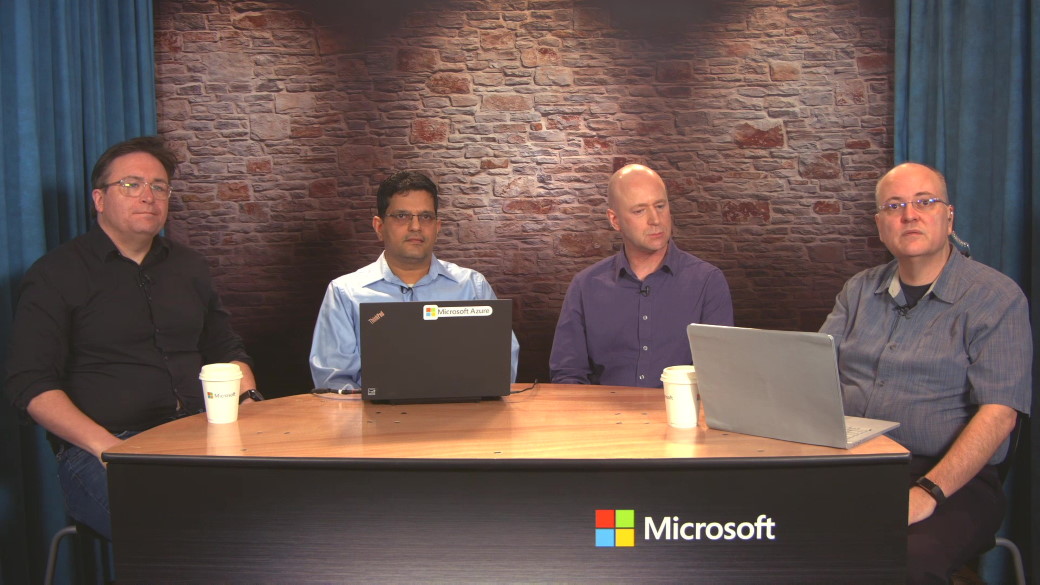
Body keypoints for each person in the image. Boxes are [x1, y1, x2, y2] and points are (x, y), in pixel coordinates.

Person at [4, 136, 258, 541]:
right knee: (188, 535)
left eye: (159, 186)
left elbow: (225, 350)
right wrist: (109, 449)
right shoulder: (56, 274)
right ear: (99, 199)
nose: (148, 196)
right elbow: (30, 384)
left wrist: (250, 411)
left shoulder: (189, 267)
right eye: (131, 184)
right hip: (103, 449)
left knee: (288, 509)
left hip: (201, 434)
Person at [820, 162, 1031, 584]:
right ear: (880, 225)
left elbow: (1000, 414)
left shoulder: (996, 298)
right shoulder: (858, 290)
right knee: (762, 532)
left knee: (903, 561)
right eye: (894, 206)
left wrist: (928, 493)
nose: (909, 214)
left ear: (948, 217)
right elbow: (812, 375)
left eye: (924, 202)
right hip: (851, 466)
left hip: (951, 478)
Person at [309, 171, 519, 389]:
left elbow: (501, 366)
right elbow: (334, 382)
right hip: (373, 419)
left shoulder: (471, 286)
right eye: (402, 216)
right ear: (379, 227)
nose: (416, 227)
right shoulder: (345, 293)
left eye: (426, 217)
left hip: (461, 417)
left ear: (437, 227)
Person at [549, 164, 734, 387]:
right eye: (639, 211)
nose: (655, 219)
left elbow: (719, 374)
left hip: (682, 417)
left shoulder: (707, 281)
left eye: (660, 206)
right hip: (604, 417)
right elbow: (568, 374)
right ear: (615, 220)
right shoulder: (585, 286)